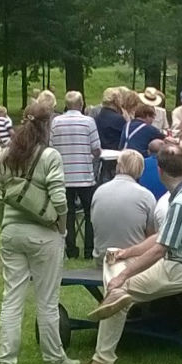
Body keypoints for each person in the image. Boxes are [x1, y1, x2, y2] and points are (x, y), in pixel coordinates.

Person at [84, 144, 182, 360]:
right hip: (179, 264)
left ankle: (102, 359)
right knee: (114, 255)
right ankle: (115, 294)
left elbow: (159, 250)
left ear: (159, 171)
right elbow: (160, 236)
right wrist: (128, 252)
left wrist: (123, 276)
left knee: (119, 290)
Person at [0, 100, 78, 364]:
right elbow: (60, 201)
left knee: (12, 297)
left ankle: (5, 360)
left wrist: (5, 223)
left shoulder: (6, 156)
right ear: (47, 124)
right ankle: (54, 357)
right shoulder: (50, 156)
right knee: (47, 300)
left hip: (11, 233)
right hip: (44, 235)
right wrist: (61, 228)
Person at [74, 150, 159, 364]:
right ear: (140, 170)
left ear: (118, 166)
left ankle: (120, 302)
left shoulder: (99, 192)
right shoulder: (146, 196)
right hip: (129, 259)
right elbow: (151, 235)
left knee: (117, 270)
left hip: (102, 256)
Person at [51, 91, 101, 259]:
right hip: (84, 176)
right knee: (89, 214)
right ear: (82, 104)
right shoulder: (88, 122)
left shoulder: (56, 122)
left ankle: (71, 249)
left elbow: (51, 147)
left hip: (63, 175)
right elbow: (96, 148)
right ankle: (89, 249)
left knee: (68, 213)